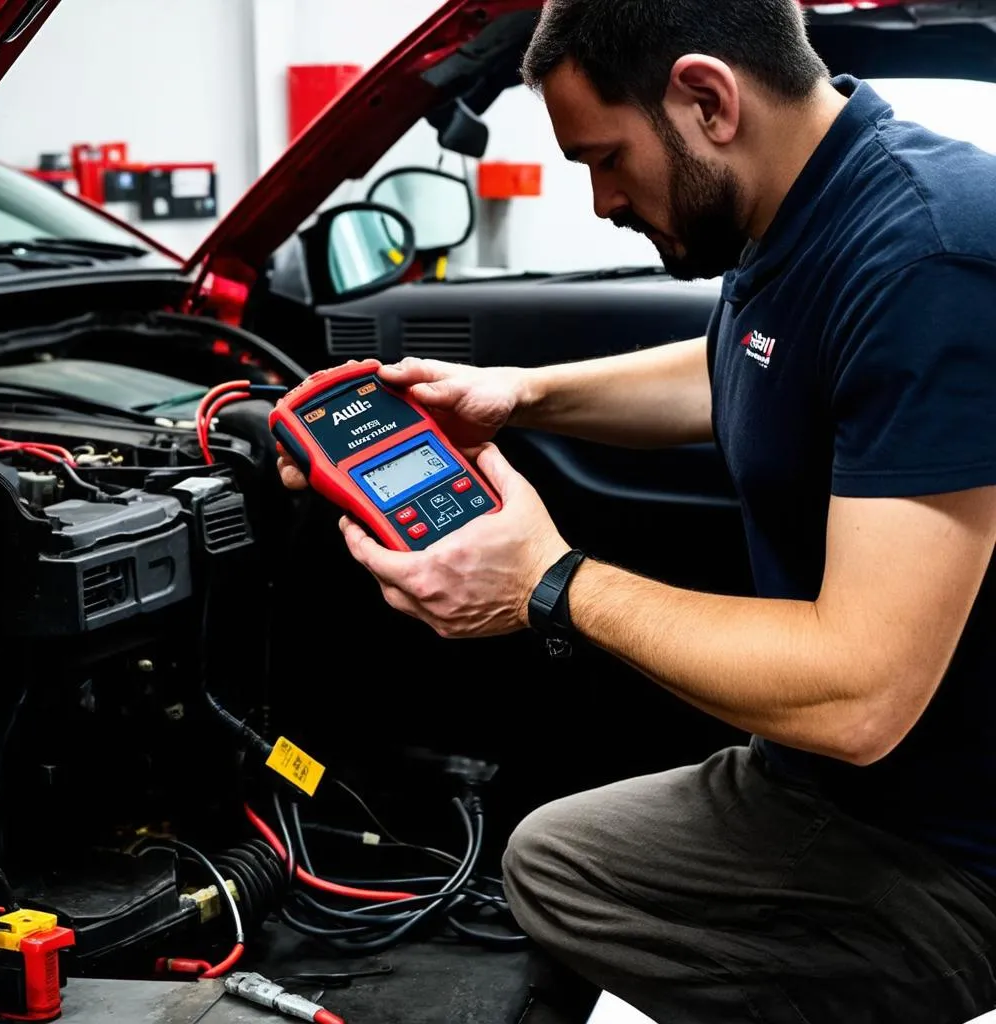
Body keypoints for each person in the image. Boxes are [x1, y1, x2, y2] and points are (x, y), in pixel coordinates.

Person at [277, 0, 996, 1020]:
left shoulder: (929, 260)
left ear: (707, 98)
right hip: (839, 787)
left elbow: (859, 697)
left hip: (952, 852)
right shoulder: (807, 206)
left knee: (560, 874)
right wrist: (521, 394)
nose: (602, 199)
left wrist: (550, 582)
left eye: (605, 158)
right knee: (555, 852)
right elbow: (740, 372)